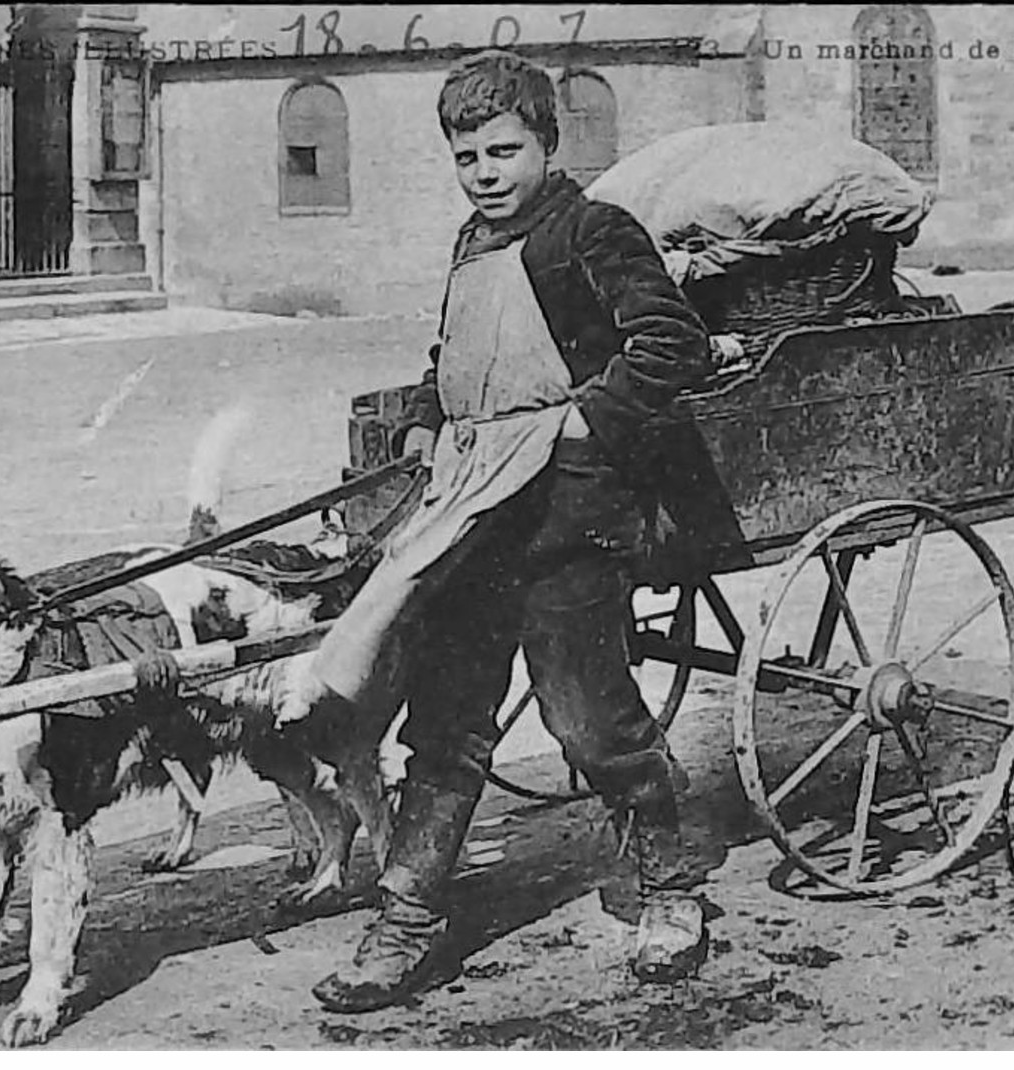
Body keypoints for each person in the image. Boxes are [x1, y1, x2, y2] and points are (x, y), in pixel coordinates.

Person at [290, 50, 715, 1013]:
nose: (484, 172)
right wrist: (430, 419)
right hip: (473, 522)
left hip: (569, 519)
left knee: (586, 720)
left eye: (503, 152)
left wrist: (581, 421)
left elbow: (669, 341)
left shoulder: (591, 231)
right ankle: (405, 919)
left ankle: (669, 887)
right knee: (444, 728)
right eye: (466, 156)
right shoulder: (468, 244)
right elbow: (457, 353)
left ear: (545, 145)